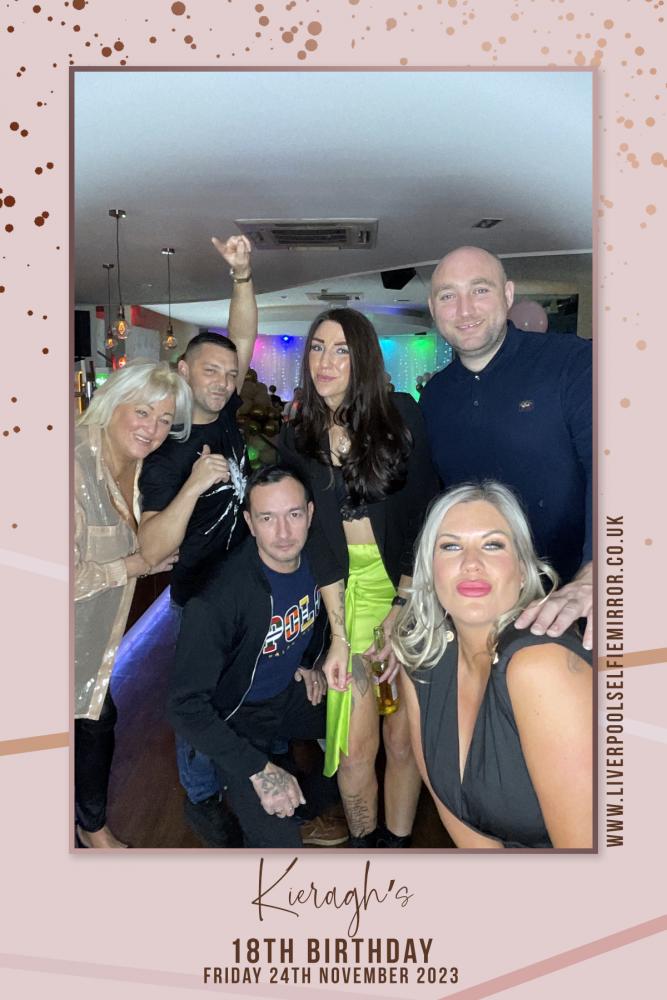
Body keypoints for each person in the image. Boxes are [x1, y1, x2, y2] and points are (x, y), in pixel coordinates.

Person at [277, 307, 439, 848]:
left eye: (342, 350)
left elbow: (426, 515)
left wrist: (402, 607)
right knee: (352, 752)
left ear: (363, 358)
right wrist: (340, 635)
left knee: (402, 741)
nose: (325, 361)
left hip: (410, 589)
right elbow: (315, 545)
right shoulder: (297, 437)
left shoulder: (401, 415)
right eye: (317, 347)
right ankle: (366, 849)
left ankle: (396, 846)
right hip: (347, 595)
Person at [392, 481, 593, 849]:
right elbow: (463, 825)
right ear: (429, 571)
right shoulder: (424, 661)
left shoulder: (539, 666)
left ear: (523, 570)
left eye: (493, 545)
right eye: (451, 546)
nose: (471, 564)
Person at [138, 234, 258, 846]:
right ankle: (201, 799)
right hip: (201, 597)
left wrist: (242, 276)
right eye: (209, 370)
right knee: (198, 701)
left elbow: (240, 337)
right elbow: (153, 546)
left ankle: (236, 774)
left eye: (230, 374)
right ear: (183, 371)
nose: (222, 380)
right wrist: (194, 485)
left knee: (238, 688)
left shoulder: (227, 412)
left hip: (246, 585)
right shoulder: (167, 447)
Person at [420, 246, 593, 649]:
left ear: (508, 294)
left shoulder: (571, 362)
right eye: (448, 295)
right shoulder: (435, 397)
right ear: (433, 307)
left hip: (575, 603)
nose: (464, 309)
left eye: (480, 290)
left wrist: (597, 573)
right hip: (483, 608)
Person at [167, 466, 344, 848]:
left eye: (293, 515)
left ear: (310, 514)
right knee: (280, 846)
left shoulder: (318, 560)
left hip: (287, 694)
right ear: (249, 522)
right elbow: (183, 707)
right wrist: (259, 770)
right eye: (267, 518)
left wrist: (310, 662)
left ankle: (308, 808)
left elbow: (319, 619)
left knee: (358, 737)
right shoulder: (217, 600)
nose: (283, 533)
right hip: (235, 717)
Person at [75, 360, 192, 848]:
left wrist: (148, 563)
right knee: (93, 725)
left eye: (164, 419)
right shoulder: (73, 467)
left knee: (94, 723)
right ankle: (92, 832)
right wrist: (138, 564)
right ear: (112, 403)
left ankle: (88, 828)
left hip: (89, 636)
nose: (153, 429)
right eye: (143, 412)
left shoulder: (138, 466)